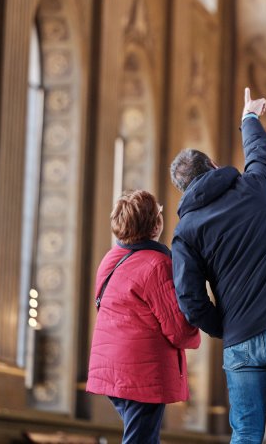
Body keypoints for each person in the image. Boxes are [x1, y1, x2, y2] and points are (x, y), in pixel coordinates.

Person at [170, 87, 266, 444]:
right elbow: (261, 152)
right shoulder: (257, 187)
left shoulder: (185, 233)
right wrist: (249, 118)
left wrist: (226, 326)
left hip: (241, 340)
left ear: (183, 191)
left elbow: (190, 301)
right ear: (215, 166)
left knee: (245, 434)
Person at [87, 190, 201, 444]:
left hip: (110, 368)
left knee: (144, 437)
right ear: (156, 223)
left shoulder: (109, 260)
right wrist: (199, 331)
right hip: (143, 372)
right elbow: (179, 330)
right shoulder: (158, 264)